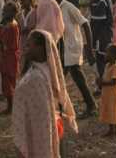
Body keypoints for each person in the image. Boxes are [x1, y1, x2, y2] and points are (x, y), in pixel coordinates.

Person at [13, 30, 78, 158]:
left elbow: (42, 116)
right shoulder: (42, 70)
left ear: (41, 48)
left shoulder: (37, 77)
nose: (26, 49)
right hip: (47, 129)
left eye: (29, 45)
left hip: (42, 131)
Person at [49, 0, 97, 119]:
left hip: (71, 47)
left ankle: (90, 106)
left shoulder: (68, 7)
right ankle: (61, 107)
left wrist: (89, 47)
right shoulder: (52, 6)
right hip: (60, 48)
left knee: (73, 77)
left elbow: (85, 24)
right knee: (61, 78)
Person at [0, 2, 20, 115]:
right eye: (4, 10)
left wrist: (1, 43)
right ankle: (10, 106)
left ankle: (11, 107)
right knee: (6, 82)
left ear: (13, 13)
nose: (3, 12)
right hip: (5, 56)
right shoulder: (7, 24)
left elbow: (12, 45)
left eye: (6, 11)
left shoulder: (12, 26)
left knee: (9, 82)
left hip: (9, 57)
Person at [90, 0, 114, 84]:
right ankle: (102, 81)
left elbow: (97, 21)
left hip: (101, 35)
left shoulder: (102, 1)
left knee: (101, 59)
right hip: (106, 34)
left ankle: (102, 82)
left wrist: (93, 39)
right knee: (102, 58)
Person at [98, 44, 116, 138]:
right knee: (109, 111)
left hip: (113, 95)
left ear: (112, 55)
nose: (105, 55)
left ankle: (115, 131)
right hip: (108, 94)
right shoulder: (108, 65)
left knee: (114, 112)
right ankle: (111, 130)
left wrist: (103, 83)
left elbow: (115, 81)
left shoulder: (115, 67)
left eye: (107, 53)